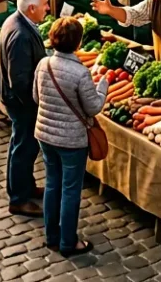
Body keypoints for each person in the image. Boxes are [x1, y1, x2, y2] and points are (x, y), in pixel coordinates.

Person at [33, 16, 108, 256]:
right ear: (78, 43)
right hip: (71, 141)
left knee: (52, 184)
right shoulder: (80, 72)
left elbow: (36, 97)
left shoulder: (43, 64)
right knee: (71, 190)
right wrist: (103, 88)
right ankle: (68, 242)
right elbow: (94, 107)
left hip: (45, 135)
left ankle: (51, 236)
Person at [0, 0, 49, 217]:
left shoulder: (20, 21)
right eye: (44, 4)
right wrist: (35, 104)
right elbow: (19, 80)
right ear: (31, 8)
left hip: (19, 98)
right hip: (22, 101)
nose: (48, 8)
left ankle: (26, 187)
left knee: (24, 146)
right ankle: (17, 198)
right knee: (23, 148)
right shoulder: (20, 34)